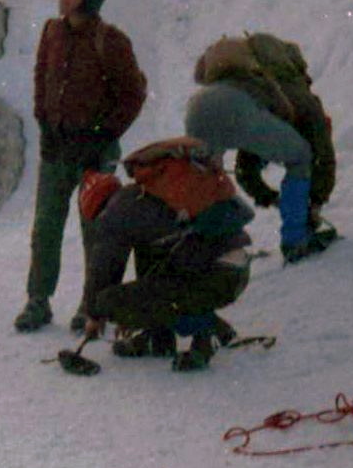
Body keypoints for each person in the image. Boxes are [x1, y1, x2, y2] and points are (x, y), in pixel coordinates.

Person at [14, 0, 147, 333]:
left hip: (94, 152)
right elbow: (42, 79)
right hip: (58, 147)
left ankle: (93, 306)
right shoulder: (52, 32)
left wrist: (104, 134)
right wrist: (44, 123)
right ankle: (37, 301)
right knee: (45, 227)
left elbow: (133, 93)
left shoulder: (111, 40)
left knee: (95, 233)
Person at [80, 138, 255, 372]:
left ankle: (206, 332)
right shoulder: (147, 198)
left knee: (109, 301)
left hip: (213, 278)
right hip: (234, 271)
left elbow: (104, 269)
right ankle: (159, 337)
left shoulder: (116, 213)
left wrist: (95, 313)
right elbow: (153, 276)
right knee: (155, 279)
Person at [185, 34, 338, 263]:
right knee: (300, 157)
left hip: (197, 107)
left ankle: (204, 255)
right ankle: (296, 241)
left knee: (205, 179)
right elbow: (321, 154)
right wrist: (314, 201)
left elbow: (247, 166)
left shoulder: (246, 77)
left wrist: (268, 196)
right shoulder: (290, 92)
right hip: (237, 107)